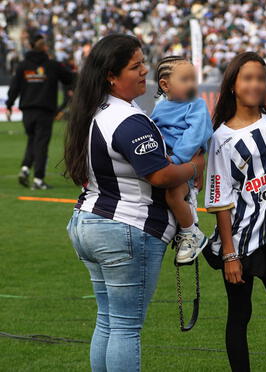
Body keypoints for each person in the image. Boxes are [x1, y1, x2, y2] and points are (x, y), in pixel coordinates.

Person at [64, 34, 205, 371]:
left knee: (109, 322)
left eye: (143, 63)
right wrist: (196, 166)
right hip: (126, 226)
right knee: (125, 328)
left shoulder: (94, 110)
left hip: (89, 220)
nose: (145, 71)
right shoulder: (128, 119)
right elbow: (159, 175)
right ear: (112, 76)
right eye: (136, 66)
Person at [202, 52, 266, 372]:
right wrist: (229, 254)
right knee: (240, 316)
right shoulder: (222, 138)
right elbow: (220, 200)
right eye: (247, 78)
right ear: (233, 85)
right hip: (241, 241)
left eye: (260, 78)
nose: (255, 84)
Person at [151, 55, 213, 264]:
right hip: (167, 162)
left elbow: (195, 135)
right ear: (165, 85)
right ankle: (183, 225)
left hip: (183, 163)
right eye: (185, 80)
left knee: (173, 195)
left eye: (193, 79)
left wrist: (177, 159)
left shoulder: (196, 105)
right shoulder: (160, 106)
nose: (191, 84)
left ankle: (191, 233)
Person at [7, 32, 74, 189]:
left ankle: (25, 169)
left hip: (27, 111)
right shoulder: (52, 65)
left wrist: (10, 105)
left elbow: (14, 87)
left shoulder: (23, 66)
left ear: (30, 46)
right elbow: (69, 78)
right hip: (44, 111)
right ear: (44, 47)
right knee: (41, 144)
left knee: (32, 140)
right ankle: (38, 179)